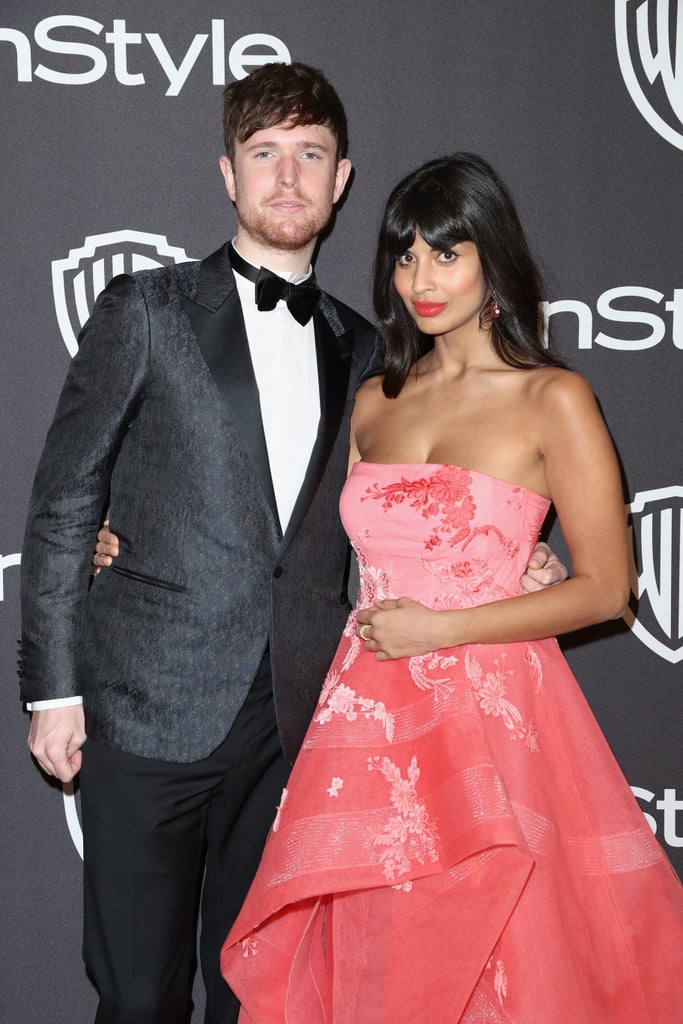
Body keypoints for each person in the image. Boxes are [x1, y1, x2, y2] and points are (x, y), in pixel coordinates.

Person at [20, 61, 564, 1024]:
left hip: (302, 723)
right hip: (149, 709)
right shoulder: (145, 311)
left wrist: (518, 550)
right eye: (263, 154)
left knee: (262, 991)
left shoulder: (368, 350)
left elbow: (417, 496)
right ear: (228, 174)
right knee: (139, 995)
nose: (286, 177)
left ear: (341, 178)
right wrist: (53, 688)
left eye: (308, 155)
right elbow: (66, 502)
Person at [219, 153, 683, 1023]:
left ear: (491, 261)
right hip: (367, 725)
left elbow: (606, 589)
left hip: (495, 722)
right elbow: (288, 548)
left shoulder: (553, 397)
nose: (420, 280)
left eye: (446, 253)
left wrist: (444, 625)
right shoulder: (374, 401)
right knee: (386, 970)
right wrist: (116, 543)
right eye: (404, 256)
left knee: (505, 959)